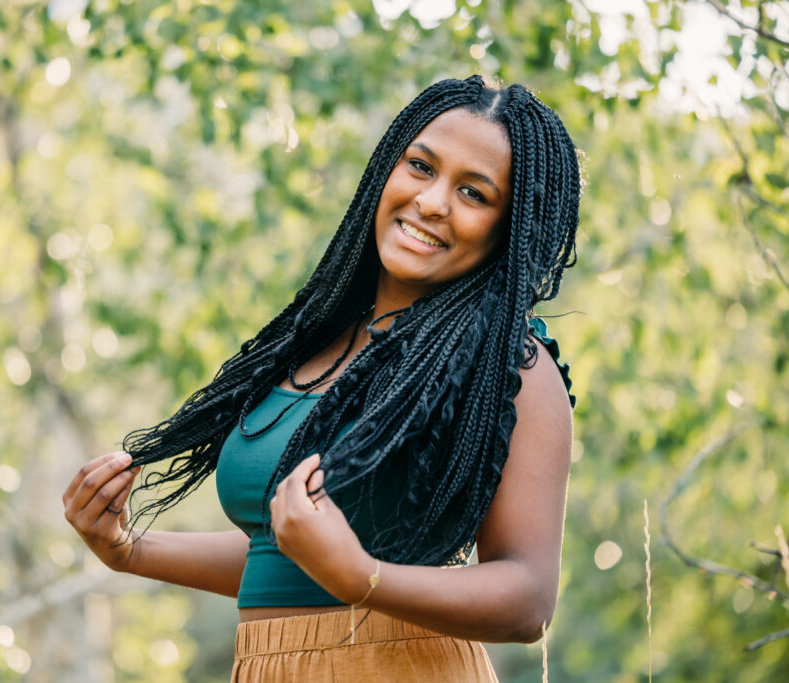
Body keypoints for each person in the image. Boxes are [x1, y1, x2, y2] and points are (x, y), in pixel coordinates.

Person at [63, 74, 580, 681]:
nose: (434, 201)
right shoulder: (312, 344)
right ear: (386, 169)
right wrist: (129, 551)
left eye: (473, 193)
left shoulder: (510, 366)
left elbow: (528, 601)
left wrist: (362, 578)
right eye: (420, 166)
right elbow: (286, 556)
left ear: (508, 228)